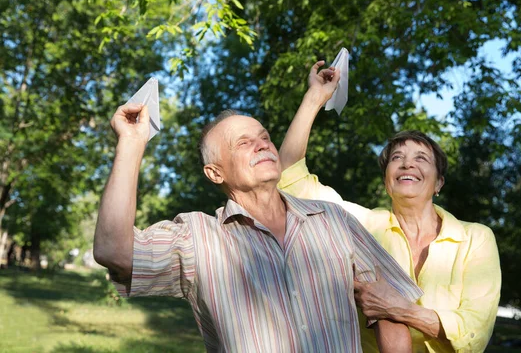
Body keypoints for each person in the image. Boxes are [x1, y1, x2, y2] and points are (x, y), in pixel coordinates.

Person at [93, 100, 423, 352]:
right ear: (215, 173)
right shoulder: (196, 238)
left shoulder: (334, 219)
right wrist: (132, 143)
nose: (263, 143)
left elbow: (388, 309)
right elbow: (113, 251)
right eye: (243, 142)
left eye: (264, 137)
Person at [277, 61, 502, 353]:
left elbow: (474, 334)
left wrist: (399, 308)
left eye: (421, 158)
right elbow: (288, 178)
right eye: (397, 158)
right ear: (387, 183)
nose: (408, 163)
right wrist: (314, 99)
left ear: (438, 183)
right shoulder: (362, 225)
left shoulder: (476, 239)